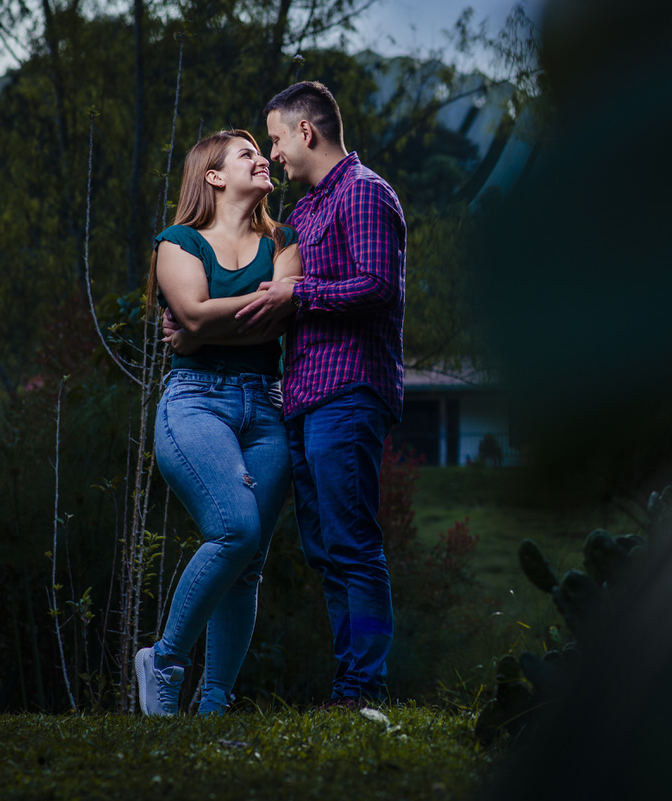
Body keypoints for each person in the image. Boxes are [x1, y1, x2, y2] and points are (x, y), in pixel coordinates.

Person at [236, 81, 407, 706]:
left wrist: (299, 295)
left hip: (351, 391)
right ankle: (350, 683)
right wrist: (190, 319)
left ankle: (366, 687)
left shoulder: (363, 193)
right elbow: (267, 294)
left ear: (306, 132)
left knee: (353, 542)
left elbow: (377, 286)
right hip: (304, 400)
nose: (274, 154)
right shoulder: (305, 213)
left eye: (277, 139)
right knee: (325, 550)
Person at [135, 129, 301, 716]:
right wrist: (261, 305)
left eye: (263, 152)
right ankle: (166, 660)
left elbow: (272, 322)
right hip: (196, 402)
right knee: (236, 529)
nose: (264, 160)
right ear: (213, 176)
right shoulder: (176, 242)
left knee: (248, 566)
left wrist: (208, 322)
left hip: (267, 405)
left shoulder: (282, 239)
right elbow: (194, 314)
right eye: (248, 155)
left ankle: (214, 705)